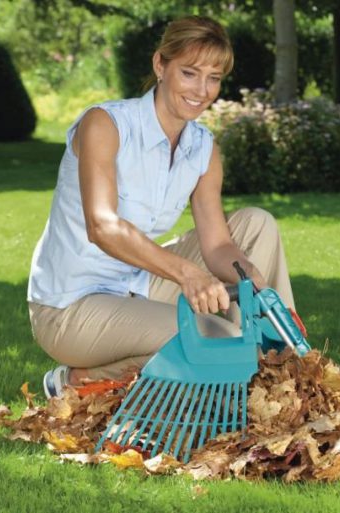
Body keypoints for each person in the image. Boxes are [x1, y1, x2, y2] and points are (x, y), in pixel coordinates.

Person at [28, 15, 297, 398]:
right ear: (160, 65)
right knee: (217, 336)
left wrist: (252, 278)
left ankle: (275, 356)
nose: (202, 90)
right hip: (71, 306)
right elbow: (102, 225)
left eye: (214, 78)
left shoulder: (203, 147)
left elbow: (218, 245)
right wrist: (187, 275)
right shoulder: (105, 125)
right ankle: (77, 379)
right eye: (189, 73)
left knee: (257, 223)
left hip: (136, 285)